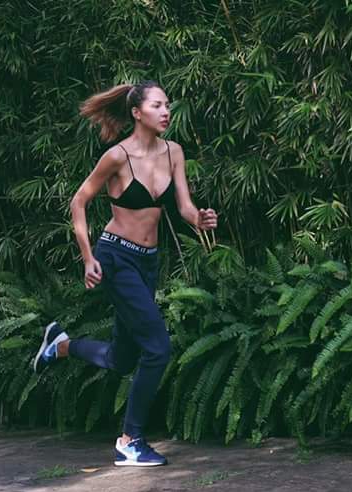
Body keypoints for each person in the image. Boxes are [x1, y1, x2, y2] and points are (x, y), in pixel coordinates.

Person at [32, 80, 218, 467]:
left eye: (167, 105)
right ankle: (130, 441)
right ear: (137, 113)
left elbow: (183, 206)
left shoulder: (174, 152)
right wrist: (87, 258)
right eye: (157, 105)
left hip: (148, 262)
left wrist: (199, 219)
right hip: (116, 258)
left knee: (121, 358)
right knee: (158, 348)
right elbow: (78, 202)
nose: (166, 111)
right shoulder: (116, 157)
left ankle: (60, 345)